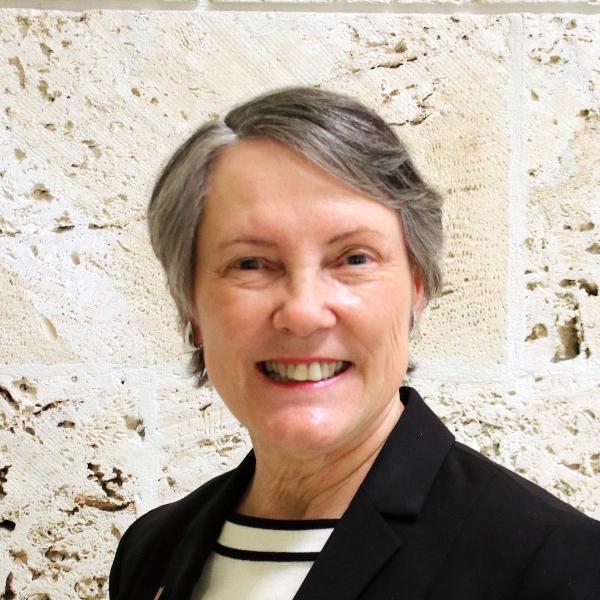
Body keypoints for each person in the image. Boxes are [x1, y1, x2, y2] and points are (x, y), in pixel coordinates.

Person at [109, 86, 600, 600]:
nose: (303, 312)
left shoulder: (554, 565)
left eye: (354, 259)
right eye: (250, 263)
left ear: (417, 287)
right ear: (190, 304)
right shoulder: (152, 550)